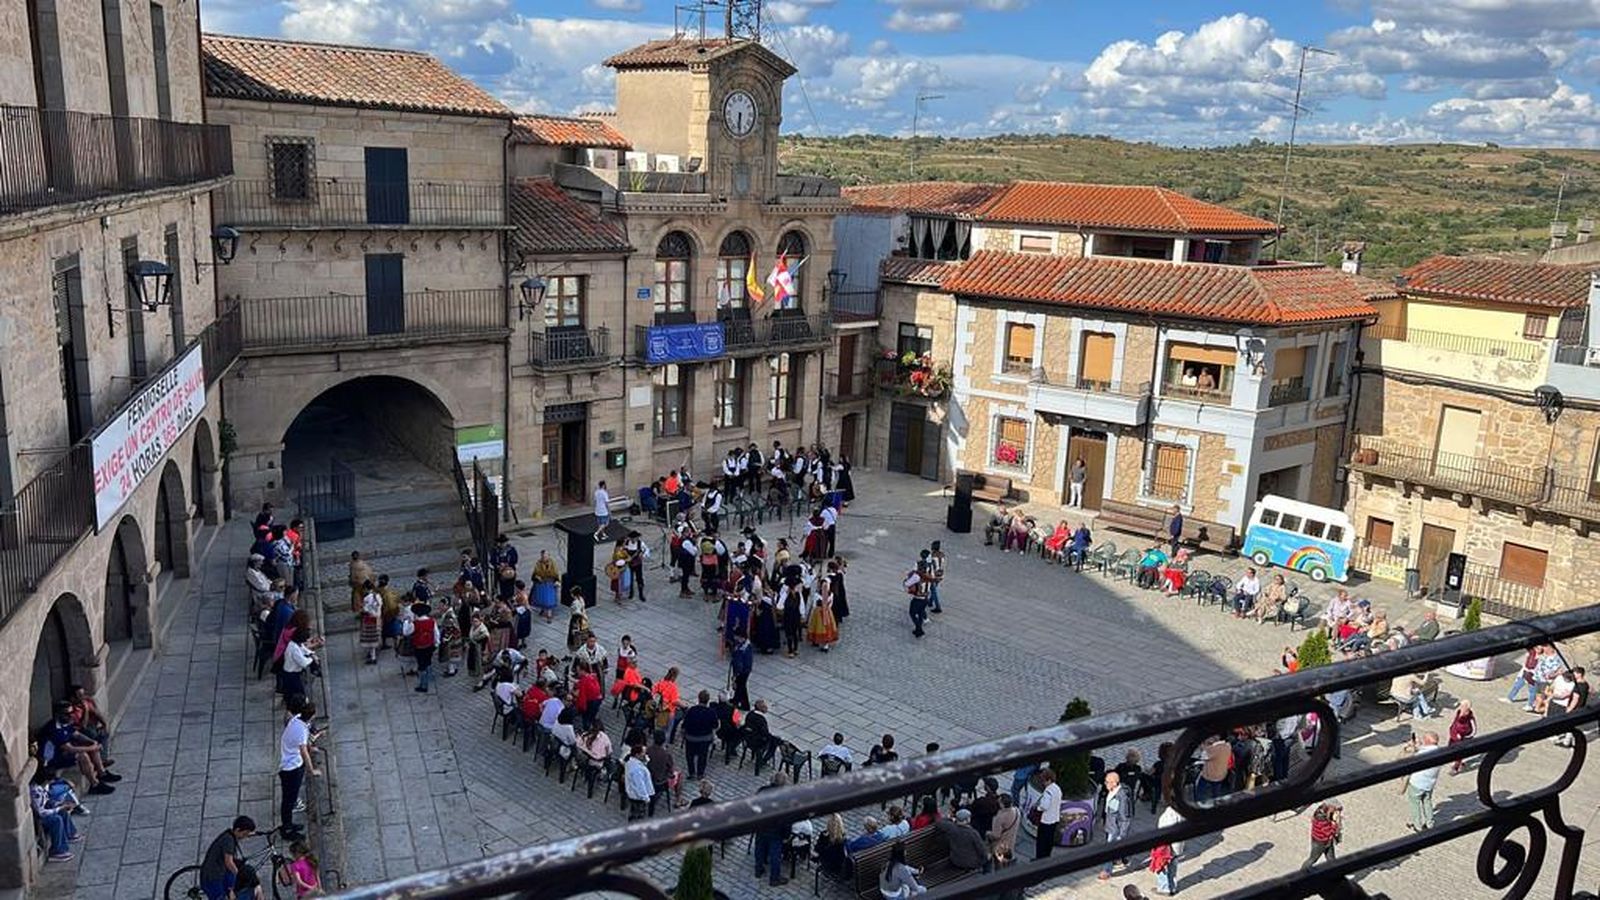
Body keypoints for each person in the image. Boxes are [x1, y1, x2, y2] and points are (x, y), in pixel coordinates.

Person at [44, 703, 119, 794]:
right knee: (82, 755)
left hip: (62, 752)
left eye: (72, 712)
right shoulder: (54, 729)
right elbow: (70, 749)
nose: (71, 715)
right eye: (67, 714)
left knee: (90, 745)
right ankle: (94, 784)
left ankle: (102, 773)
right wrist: (91, 748)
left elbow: (77, 734)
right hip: (53, 758)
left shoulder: (65, 723)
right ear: (58, 714)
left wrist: (91, 742)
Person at [280, 696, 318, 840]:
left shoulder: (296, 720)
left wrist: (311, 748)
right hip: (290, 768)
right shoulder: (301, 729)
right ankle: (287, 829)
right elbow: (303, 751)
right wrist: (312, 769)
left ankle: (288, 824)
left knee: (290, 797)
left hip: (293, 763)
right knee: (289, 799)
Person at [200, 816, 258, 900]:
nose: (245, 837)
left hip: (221, 871)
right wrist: (239, 875)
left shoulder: (229, 834)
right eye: (244, 834)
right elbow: (229, 862)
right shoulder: (228, 842)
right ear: (237, 830)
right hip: (213, 877)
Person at [752, 772, 792, 887]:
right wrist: (786, 835)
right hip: (776, 831)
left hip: (761, 825)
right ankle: (774, 878)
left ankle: (758, 870)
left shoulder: (762, 791)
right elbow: (787, 819)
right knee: (775, 855)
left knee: (759, 847)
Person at [29, 769, 79, 862]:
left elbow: (47, 800)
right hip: (40, 817)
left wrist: (59, 805)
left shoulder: (43, 787)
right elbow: (41, 812)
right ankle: (57, 851)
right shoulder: (36, 792)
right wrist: (59, 808)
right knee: (56, 820)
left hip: (46, 807)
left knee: (62, 812)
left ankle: (70, 833)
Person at [1097, 772, 1133, 880]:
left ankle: (1106, 871)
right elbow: (1109, 810)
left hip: (1115, 829)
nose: (1105, 784)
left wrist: (1122, 834)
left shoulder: (1122, 797)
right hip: (1111, 825)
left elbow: (1125, 817)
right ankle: (1123, 858)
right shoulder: (1112, 792)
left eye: (1107, 782)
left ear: (1114, 783)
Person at [1404, 732, 1442, 831]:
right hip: (1429, 784)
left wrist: (1411, 747)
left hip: (1417, 783)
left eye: (1424, 739)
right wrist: (1418, 746)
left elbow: (1411, 758)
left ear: (1428, 741)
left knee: (1415, 804)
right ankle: (1430, 823)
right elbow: (1423, 750)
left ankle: (1417, 825)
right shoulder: (1440, 752)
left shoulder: (1423, 753)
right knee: (1427, 802)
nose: (1422, 740)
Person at [936, 808, 991, 873]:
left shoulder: (950, 828)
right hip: (971, 863)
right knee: (988, 858)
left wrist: (950, 819)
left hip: (956, 860)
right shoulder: (972, 833)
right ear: (967, 820)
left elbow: (939, 822)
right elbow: (981, 850)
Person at [682, 690, 719, 779]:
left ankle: (691, 773)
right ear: (708, 700)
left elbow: (685, 724)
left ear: (698, 699)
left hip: (691, 737)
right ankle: (700, 774)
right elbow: (715, 725)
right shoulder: (711, 712)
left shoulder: (692, 710)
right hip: (705, 738)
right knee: (703, 756)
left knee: (690, 756)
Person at [403, 603, 438, 693]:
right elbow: (436, 633)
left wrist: (407, 622)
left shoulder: (415, 623)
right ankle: (430, 677)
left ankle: (424, 685)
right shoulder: (432, 621)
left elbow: (406, 632)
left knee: (421, 665)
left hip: (419, 647)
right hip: (430, 645)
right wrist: (436, 643)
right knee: (428, 661)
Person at [1552, 668, 1590, 748]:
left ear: (1579, 674)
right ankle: (1568, 741)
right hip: (1581, 707)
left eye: (1575, 673)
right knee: (1573, 725)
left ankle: (1567, 742)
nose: (1573, 675)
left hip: (1575, 708)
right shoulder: (1585, 684)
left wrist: (1569, 709)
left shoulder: (1578, 686)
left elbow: (1575, 699)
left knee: (1570, 725)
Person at [1301, 801, 1342, 870]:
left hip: (1327, 840)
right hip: (1320, 843)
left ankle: (1336, 875)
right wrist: (1335, 824)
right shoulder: (1320, 818)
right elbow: (1327, 832)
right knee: (1313, 859)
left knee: (1331, 859)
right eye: (1336, 810)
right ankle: (1301, 873)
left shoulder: (1326, 815)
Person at [807, 566, 839, 651]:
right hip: (828, 611)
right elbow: (831, 603)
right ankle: (825, 645)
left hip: (818, 612)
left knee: (816, 626)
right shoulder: (830, 594)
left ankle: (816, 641)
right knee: (827, 627)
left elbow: (814, 604)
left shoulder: (817, 595)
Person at [1033, 768, 1063, 858]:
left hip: (1046, 820)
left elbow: (1044, 806)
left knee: (1041, 842)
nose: (1043, 783)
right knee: (1049, 842)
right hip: (1054, 819)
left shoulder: (1048, 791)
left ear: (1049, 780)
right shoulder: (1057, 788)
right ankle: (1047, 857)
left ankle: (1039, 859)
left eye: (1044, 781)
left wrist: (1038, 808)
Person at [987, 793, 1020, 865]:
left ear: (1002, 804)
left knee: (999, 863)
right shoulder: (1017, 811)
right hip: (1011, 842)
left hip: (1000, 846)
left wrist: (988, 833)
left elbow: (996, 835)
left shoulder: (999, 817)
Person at [623, 743, 653, 820]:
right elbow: (640, 785)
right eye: (644, 753)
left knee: (633, 810)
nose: (645, 755)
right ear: (637, 755)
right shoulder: (637, 770)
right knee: (639, 814)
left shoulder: (630, 762)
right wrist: (646, 798)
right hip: (638, 797)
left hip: (632, 794)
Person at [1447, 700, 1478, 773]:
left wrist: (1465, 736)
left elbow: (1473, 730)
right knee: (1451, 750)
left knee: (1458, 753)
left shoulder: (1468, 718)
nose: (1460, 707)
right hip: (1453, 736)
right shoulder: (1459, 713)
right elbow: (1455, 723)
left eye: (1462, 706)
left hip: (1460, 739)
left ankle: (1456, 767)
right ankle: (1458, 762)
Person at [358, 580, 382, 664]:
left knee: (370, 639)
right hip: (377, 618)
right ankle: (373, 654)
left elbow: (365, 609)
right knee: (375, 637)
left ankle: (373, 657)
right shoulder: (378, 596)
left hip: (369, 619)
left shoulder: (366, 598)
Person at [730, 630, 755, 710]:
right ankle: (736, 700)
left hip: (743, 671)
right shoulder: (743, 645)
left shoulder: (744, 648)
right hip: (743, 669)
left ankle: (744, 704)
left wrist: (736, 674)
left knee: (741, 686)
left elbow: (739, 662)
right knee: (741, 686)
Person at [927, 541, 946, 613]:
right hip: (940, 574)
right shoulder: (942, 554)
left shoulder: (932, 556)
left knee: (934, 591)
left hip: (934, 575)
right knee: (933, 589)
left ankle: (938, 607)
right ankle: (930, 602)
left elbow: (929, 566)